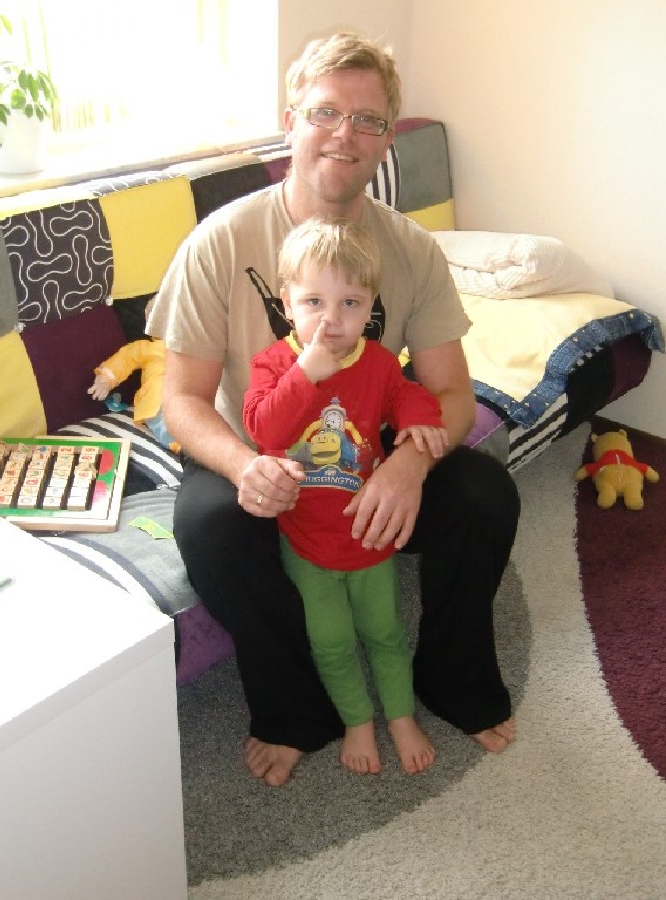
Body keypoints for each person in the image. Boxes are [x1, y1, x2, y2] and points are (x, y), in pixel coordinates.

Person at [148, 31, 520, 787]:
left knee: (485, 493)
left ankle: (451, 681)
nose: (344, 135)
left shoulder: (410, 249)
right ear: (291, 122)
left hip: (370, 451)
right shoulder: (219, 242)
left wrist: (409, 464)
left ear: (386, 139)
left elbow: (452, 392)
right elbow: (181, 400)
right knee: (211, 527)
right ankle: (295, 712)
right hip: (255, 445)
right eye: (325, 112)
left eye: (368, 120)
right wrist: (244, 467)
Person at [244, 218, 448, 775]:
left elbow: (407, 393)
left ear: (370, 307)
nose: (330, 320)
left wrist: (419, 421)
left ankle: (400, 717)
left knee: (385, 632)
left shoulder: (376, 361)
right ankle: (357, 721)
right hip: (306, 541)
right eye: (314, 301)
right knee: (330, 642)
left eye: (350, 303)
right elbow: (264, 429)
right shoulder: (273, 364)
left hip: (368, 533)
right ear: (287, 303)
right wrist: (305, 374)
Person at [88, 299, 180, 452]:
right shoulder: (147, 348)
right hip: (159, 400)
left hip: (193, 400)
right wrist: (105, 380)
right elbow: (124, 360)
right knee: (166, 422)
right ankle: (185, 447)